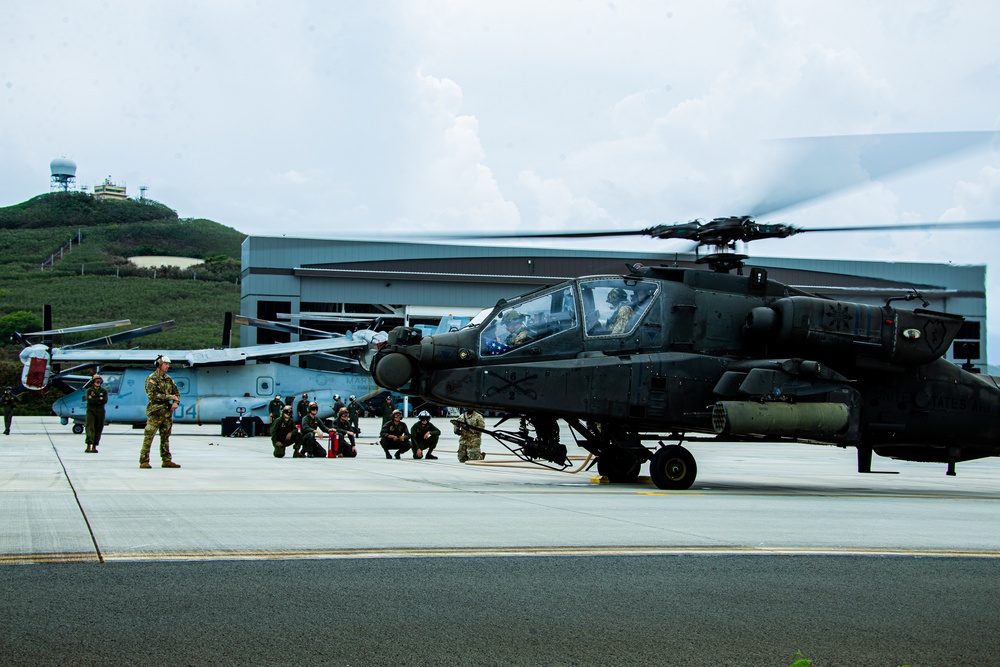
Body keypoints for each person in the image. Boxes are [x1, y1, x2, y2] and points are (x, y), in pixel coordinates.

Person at [139, 355, 181, 469]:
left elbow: (176, 393)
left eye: (168, 364)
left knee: (165, 437)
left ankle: (166, 460)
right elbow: (152, 395)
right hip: (156, 413)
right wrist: (169, 397)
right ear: (159, 365)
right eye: (165, 364)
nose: (168, 366)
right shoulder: (152, 379)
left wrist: (176, 402)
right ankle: (144, 460)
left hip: (167, 414)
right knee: (149, 436)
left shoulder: (168, 379)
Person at [84, 375, 108, 453]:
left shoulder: (104, 391)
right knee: (90, 427)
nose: (98, 383)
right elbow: (89, 400)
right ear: (93, 382)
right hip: (91, 410)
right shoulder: (89, 390)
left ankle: (94, 446)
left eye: (99, 381)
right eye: (96, 381)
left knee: (99, 427)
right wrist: (99, 399)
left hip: (100, 411)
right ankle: (88, 445)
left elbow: (104, 400)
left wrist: (94, 399)